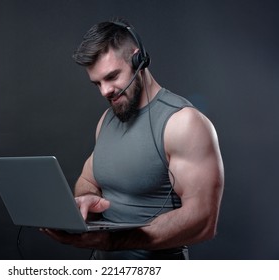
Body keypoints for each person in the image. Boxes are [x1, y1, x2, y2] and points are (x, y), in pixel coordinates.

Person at [43, 18, 224, 259]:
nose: (105, 91)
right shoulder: (107, 119)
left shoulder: (184, 123)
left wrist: (113, 242)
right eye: (97, 83)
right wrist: (88, 199)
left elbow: (203, 221)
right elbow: (89, 178)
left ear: (138, 60)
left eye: (112, 76)